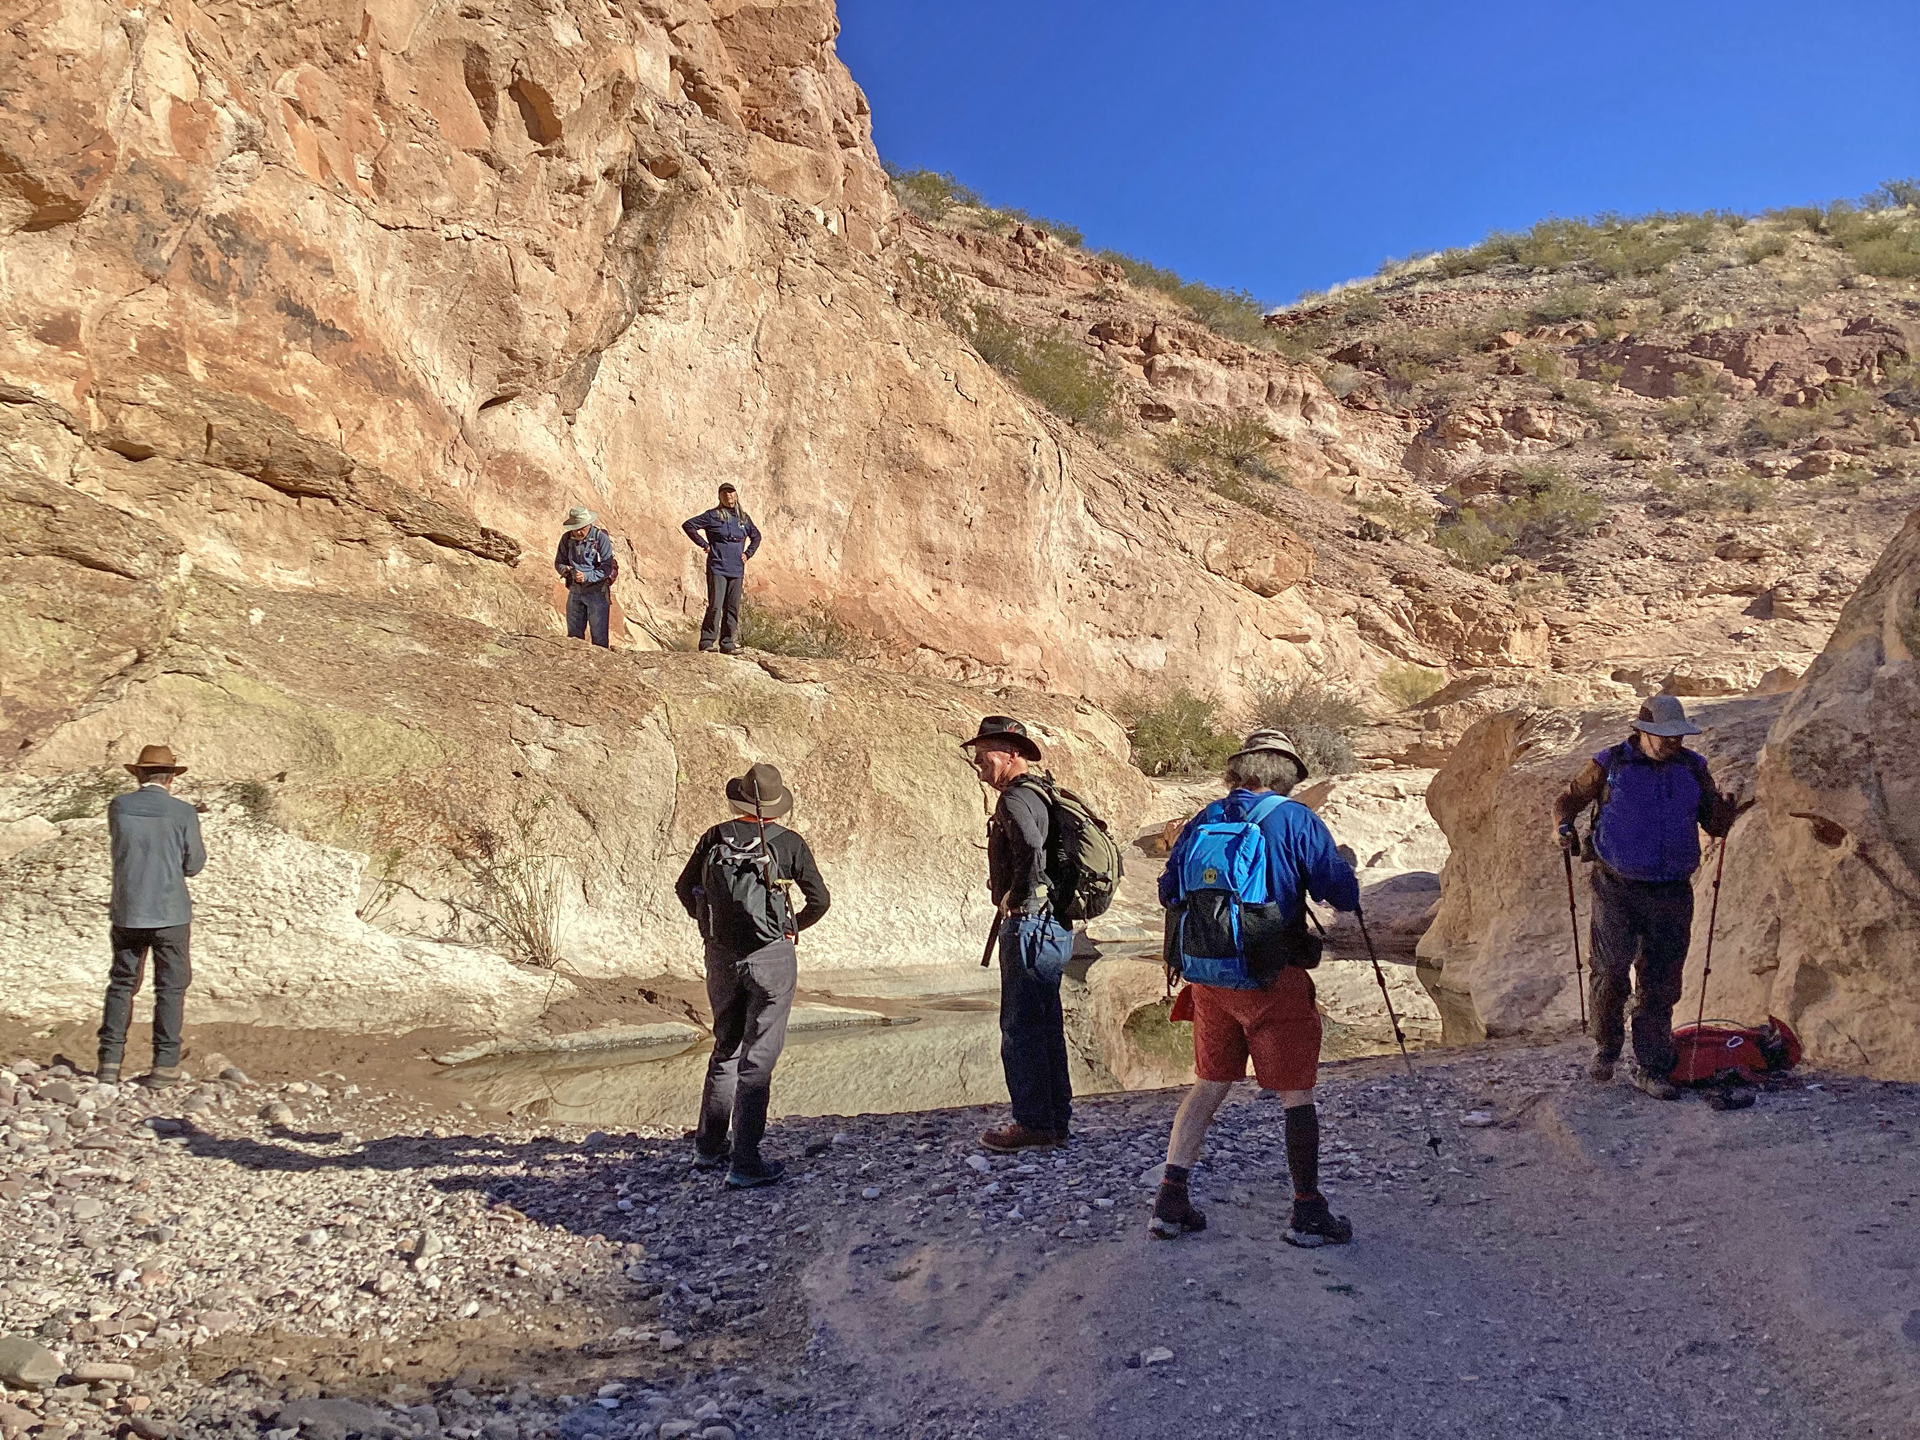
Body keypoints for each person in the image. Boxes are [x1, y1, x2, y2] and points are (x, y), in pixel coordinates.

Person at [1151, 730, 1361, 1246]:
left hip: (1208, 979)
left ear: (1238, 771)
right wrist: (1344, 870)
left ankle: (1170, 1201)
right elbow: (1341, 892)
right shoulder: (1295, 819)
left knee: (1208, 1085)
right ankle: (1308, 1212)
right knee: (1296, 1093)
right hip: (1273, 978)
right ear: (1285, 775)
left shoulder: (1204, 819)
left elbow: (1166, 891)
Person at [1554, 694, 1738, 1100]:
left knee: (1660, 980)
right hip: (1615, 883)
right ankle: (1607, 1045)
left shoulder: (1693, 767)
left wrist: (1726, 812)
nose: (1674, 743)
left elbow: (1713, 821)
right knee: (1611, 968)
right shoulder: (1609, 763)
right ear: (1643, 732)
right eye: (1666, 736)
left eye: (1678, 736)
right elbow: (1568, 800)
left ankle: (1652, 1066)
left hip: (1672, 888)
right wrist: (1563, 826)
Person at [674, 763, 830, 1188]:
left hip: (721, 958)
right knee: (758, 1057)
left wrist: (710, 927)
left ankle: (708, 1148)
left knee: (725, 1046)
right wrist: (790, 925)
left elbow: (683, 887)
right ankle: (745, 1162)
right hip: (772, 958)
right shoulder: (790, 843)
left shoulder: (715, 837)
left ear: (739, 799)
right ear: (778, 806)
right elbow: (820, 899)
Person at [960, 716, 1076, 1152]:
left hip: (1030, 925)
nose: (976, 762)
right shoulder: (1043, 793)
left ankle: (1032, 1123)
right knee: (1045, 1022)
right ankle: (1053, 1119)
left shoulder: (1014, 800)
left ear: (1011, 754)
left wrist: (1020, 896)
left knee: (1021, 1026)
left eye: (983, 753)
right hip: (1052, 926)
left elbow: (1028, 846)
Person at [100, 745, 207, 1088]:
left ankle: (109, 1063)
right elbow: (194, 864)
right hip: (171, 911)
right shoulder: (183, 812)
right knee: (171, 988)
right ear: (172, 777)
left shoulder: (119, 806)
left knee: (121, 984)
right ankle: (164, 1066)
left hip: (128, 910)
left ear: (139, 774)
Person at [681, 484, 761, 654]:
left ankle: (727, 643)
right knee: (716, 605)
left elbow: (756, 536)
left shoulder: (743, 519)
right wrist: (704, 545)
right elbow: (689, 525)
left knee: (732, 607)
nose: (728, 496)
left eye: (731, 493)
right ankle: (707, 642)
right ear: (720, 497)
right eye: (724, 493)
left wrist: (748, 553)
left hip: (736, 569)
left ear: (736, 495)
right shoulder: (713, 516)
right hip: (717, 566)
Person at [553, 506, 617, 648]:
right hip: (575, 591)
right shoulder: (566, 539)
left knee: (599, 638)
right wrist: (567, 571)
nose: (579, 531)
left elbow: (607, 567)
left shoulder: (601, 538)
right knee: (574, 638)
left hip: (597, 592)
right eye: (576, 528)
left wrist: (587, 576)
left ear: (589, 524)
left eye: (582, 527)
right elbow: (558, 562)